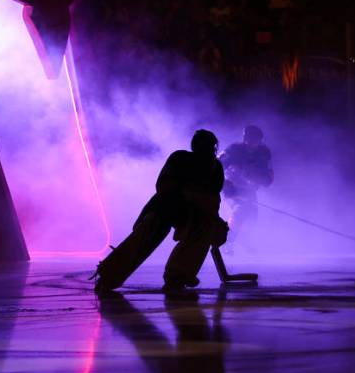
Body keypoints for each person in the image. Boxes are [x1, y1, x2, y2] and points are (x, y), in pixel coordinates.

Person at [93, 129, 228, 292]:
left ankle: (178, 276)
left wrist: (214, 219)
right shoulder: (180, 158)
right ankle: (109, 275)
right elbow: (163, 186)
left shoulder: (215, 168)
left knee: (205, 229)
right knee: (143, 238)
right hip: (164, 207)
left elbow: (212, 199)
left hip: (194, 214)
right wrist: (186, 192)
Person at [220, 125, 274, 247]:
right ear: (244, 137)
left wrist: (257, 179)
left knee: (252, 217)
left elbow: (269, 177)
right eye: (248, 138)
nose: (251, 142)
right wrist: (224, 182)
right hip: (231, 188)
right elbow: (216, 165)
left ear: (260, 140)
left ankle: (238, 243)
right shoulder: (233, 150)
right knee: (241, 209)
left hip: (249, 190)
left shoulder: (264, 153)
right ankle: (226, 241)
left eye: (255, 139)